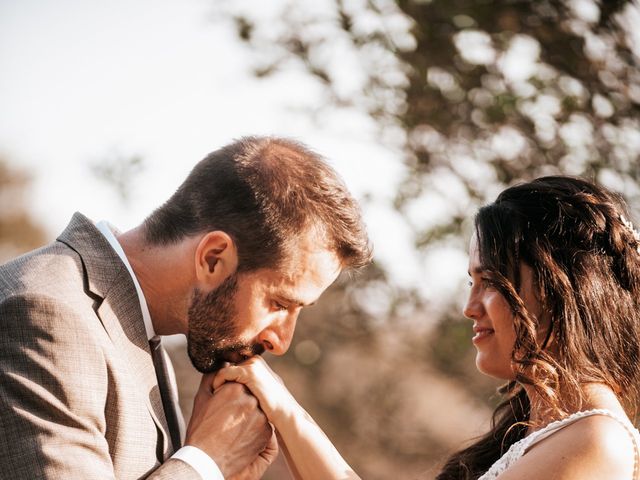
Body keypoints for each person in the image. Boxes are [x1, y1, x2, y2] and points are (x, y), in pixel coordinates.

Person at [214, 175, 640, 480]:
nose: (469, 307)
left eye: (490, 282)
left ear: (561, 290)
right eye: (470, 282)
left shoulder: (595, 442)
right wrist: (277, 402)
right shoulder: (542, 431)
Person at [0, 136, 371, 479]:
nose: (281, 342)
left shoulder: (139, 329)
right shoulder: (47, 313)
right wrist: (207, 459)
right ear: (212, 259)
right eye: (279, 303)